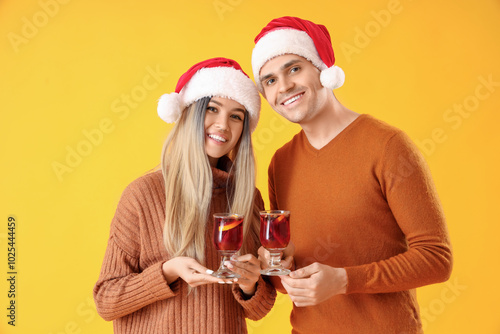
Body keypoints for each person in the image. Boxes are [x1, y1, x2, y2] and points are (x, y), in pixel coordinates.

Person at [251, 16, 453, 333]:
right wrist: (280, 265)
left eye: (293, 68)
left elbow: (436, 259)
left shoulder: (387, 146)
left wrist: (345, 280)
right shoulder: (281, 163)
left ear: (320, 67)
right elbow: (287, 285)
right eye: (270, 80)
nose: (285, 86)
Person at [93, 57, 276, 334]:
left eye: (236, 116)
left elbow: (259, 310)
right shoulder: (143, 195)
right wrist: (168, 270)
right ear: (190, 113)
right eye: (212, 109)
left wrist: (250, 285)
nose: (223, 125)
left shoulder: (247, 198)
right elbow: (106, 300)